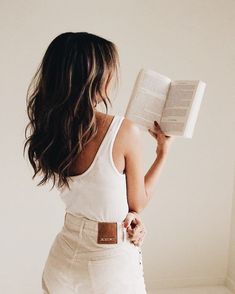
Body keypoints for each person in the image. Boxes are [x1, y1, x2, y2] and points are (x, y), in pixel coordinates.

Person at [23, 32, 173, 294]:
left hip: (62, 261)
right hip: (108, 266)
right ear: (94, 76)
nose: (113, 77)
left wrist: (128, 220)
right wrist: (162, 153)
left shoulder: (53, 132)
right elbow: (138, 201)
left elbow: (99, 193)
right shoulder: (121, 130)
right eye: (109, 69)